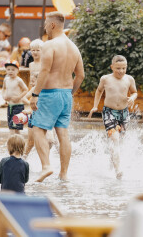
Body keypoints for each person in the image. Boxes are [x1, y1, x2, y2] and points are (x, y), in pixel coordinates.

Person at [29, 11, 85, 182]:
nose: (45, 26)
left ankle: (46, 166)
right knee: (63, 134)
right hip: (66, 95)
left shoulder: (50, 45)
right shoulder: (74, 48)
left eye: (46, 23)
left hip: (49, 94)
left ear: (52, 25)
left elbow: (44, 71)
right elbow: (81, 75)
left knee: (37, 129)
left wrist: (34, 94)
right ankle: (64, 174)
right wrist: (69, 93)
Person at [88, 55, 137, 179]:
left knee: (120, 141)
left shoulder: (129, 79)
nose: (121, 71)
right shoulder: (105, 79)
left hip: (124, 113)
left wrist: (132, 98)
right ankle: (118, 170)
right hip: (109, 112)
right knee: (115, 139)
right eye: (118, 68)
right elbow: (99, 91)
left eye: (123, 68)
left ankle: (113, 162)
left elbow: (135, 92)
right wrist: (95, 106)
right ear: (112, 67)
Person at [2, 60, 28, 134]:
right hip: (10, 105)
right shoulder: (6, 80)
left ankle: (17, 142)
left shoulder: (18, 80)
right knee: (10, 126)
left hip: (18, 106)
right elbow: (3, 89)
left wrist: (19, 97)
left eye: (13, 70)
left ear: (17, 70)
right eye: (8, 69)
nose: (10, 71)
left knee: (16, 126)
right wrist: (4, 96)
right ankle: (13, 142)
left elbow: (25, 90)